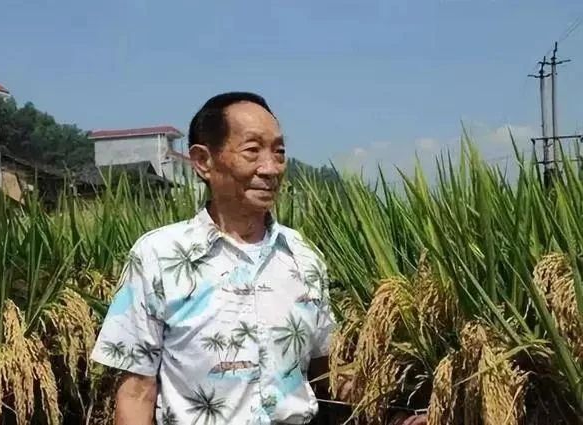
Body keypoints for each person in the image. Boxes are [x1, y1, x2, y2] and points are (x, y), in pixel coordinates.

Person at [90, 92, 426, 425]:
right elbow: (136, 393)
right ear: (203, 161)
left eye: (279, 152)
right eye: (252, 150)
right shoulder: (158, 256)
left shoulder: (303, 257)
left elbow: (326, 374)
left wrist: (399, 412)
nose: (271, 168)